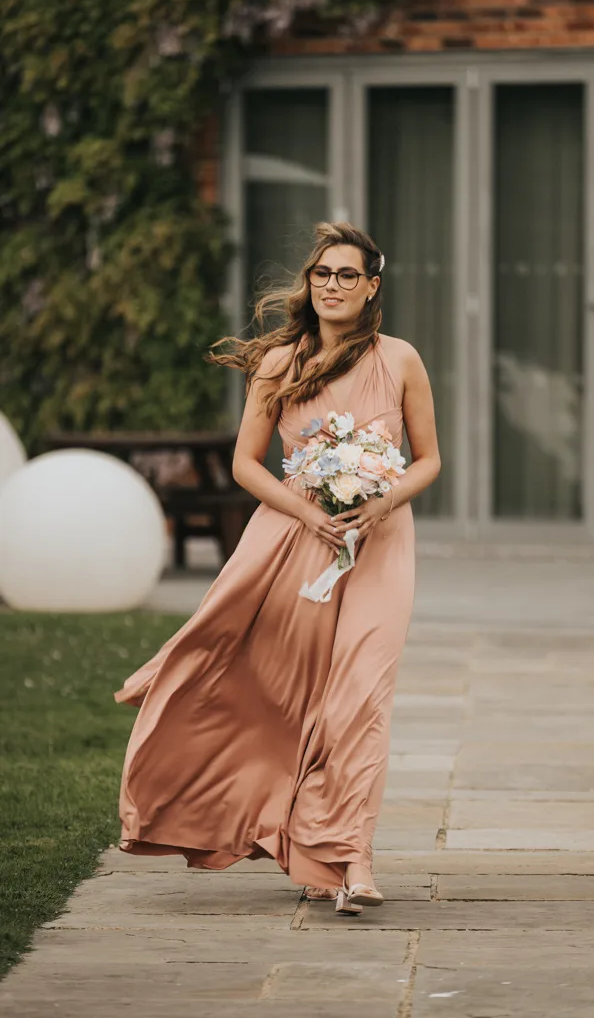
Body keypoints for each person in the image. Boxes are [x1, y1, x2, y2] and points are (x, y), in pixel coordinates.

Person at [113, 220, 441, 915]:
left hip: (380, 544)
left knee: (362, 697)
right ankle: (293, 837)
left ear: (372, 287)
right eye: (322, 274)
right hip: (296, 542)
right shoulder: (279, 364)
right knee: (279, 694)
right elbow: (244, 463)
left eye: (347, 275)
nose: (331, 285)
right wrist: (307, 511)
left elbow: (430, 460)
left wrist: (380, 502)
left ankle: (354, 858)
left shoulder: (402, 360)